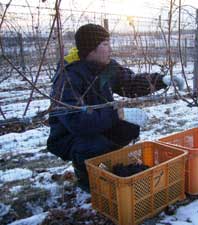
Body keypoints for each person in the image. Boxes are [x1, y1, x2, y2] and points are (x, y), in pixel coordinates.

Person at [47, 23, 184, 191]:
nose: (110, 49)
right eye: (105, 44)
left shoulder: (106, 67)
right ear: (91, 49)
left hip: (97, 124)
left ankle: (110, 165)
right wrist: (117, 114)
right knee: (93, 145)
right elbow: (77, 122)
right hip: (69, 136)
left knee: (129, 128)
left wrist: (161, 81)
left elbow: (130, 82)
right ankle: (86, 178)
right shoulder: (67, 78)